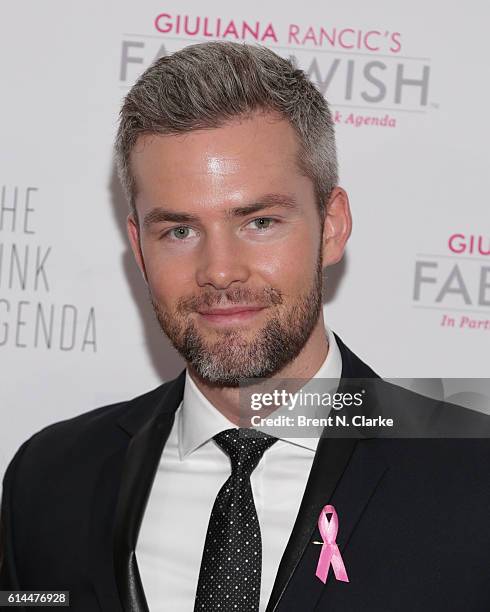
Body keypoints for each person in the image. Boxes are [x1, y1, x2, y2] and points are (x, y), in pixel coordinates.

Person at [1, 41, 490, 612]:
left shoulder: (472, 475)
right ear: (138, 246)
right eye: (179, 231)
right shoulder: (50, 476)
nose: (220, 271)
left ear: (331, 227)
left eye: (259, 221)